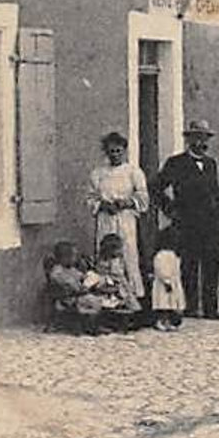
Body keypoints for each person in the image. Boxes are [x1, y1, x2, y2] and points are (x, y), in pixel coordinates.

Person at [152, 118, 219, 320]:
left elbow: (215, 191)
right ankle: (191, 306)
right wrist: (171, 210)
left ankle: (211, 309)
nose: (202, 143)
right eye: (197, 138)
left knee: (212, 265)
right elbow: (156, 188)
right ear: (189, 140)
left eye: (205, 138)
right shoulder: (176, 163)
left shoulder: (211, 164)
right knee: (189, 265)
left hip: (211, 223)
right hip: (188, 222)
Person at [87, 132, 149, 308]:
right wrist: (103, 205)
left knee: (127, 254)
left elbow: (144, 198)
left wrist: (127, 202)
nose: (115, 154)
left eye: (118, 151)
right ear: (106, 152)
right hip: (106, 219)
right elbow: (90, 198)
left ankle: (133, 297)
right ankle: (108, 299)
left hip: (126, 219)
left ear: (124, 150)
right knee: (106, 255)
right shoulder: (98, 173)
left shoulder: (133, 172)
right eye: (111, 151)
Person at [44, 240, 102, 334]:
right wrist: (82, 288)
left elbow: (80, 276)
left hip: (76, 295)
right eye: (74, 256)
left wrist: (89, 277)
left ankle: (92, 324)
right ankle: (89, 325)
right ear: (65, 258)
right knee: (93, 301)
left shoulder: (71, 269)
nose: (75, 259)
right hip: (67, 299)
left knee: (95, 298)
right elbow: (68, 285)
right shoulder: (57, 272)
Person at [149, 221, 185, 331]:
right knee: (163, 304)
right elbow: (161, 270)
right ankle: (161, 321)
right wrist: (167, 281)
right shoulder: (161, 255)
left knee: (171, 304)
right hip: (164, 284)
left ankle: (169, 322)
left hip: (173, 283)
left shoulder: (173, 254)